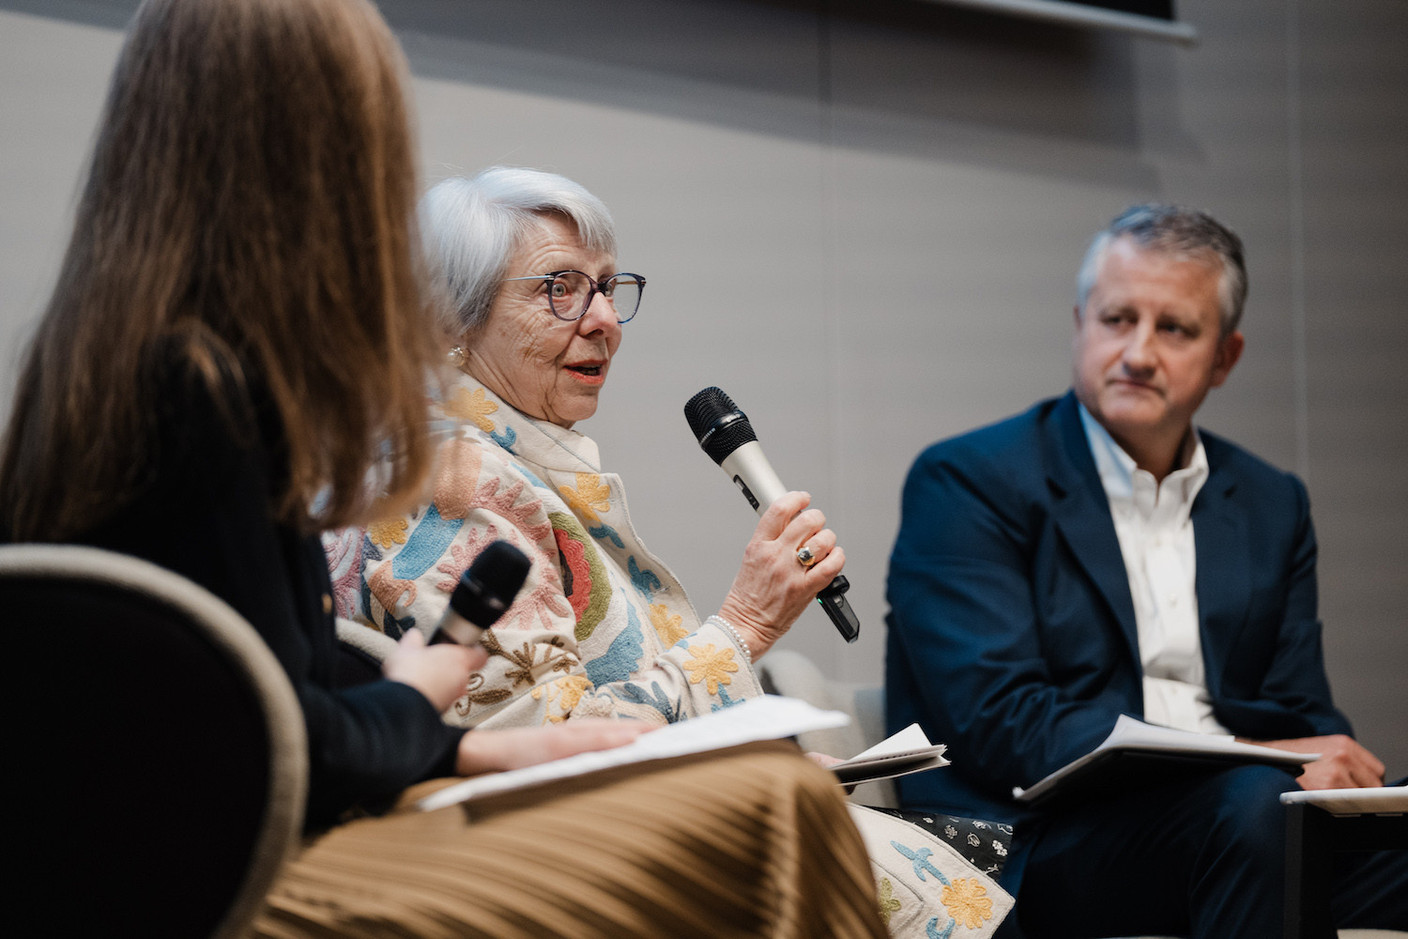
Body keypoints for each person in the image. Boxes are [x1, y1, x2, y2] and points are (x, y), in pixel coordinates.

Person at [0, 1, 890, 936]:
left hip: (155, 860)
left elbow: (240, 702)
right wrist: (416, 704)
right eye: (558, 288)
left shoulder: (84, 370)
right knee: (775, 811)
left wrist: (445, 740)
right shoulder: (223, 396)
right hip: (232, 881)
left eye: (606, 288)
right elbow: (266, 752)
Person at [327, 166, 1013, 938]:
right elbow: (538, 755)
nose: (604, 321)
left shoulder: (508, 466)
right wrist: (744, 624)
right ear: (451, 318)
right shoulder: (449, 479)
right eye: (559, 288)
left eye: (609, 288)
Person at [885, 203, 1408, 939]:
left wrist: (1321, 762)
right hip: (1040, 839)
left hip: (1246, 821)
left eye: (1174, 329)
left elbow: (1300, 708)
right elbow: (1003, 723)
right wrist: (1263, 760)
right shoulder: (967, 481)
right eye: (1116, 318)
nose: (1137, 351)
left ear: (1225, 356)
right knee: (1254, 804)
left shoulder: (1270, 502)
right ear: (1079, 325)